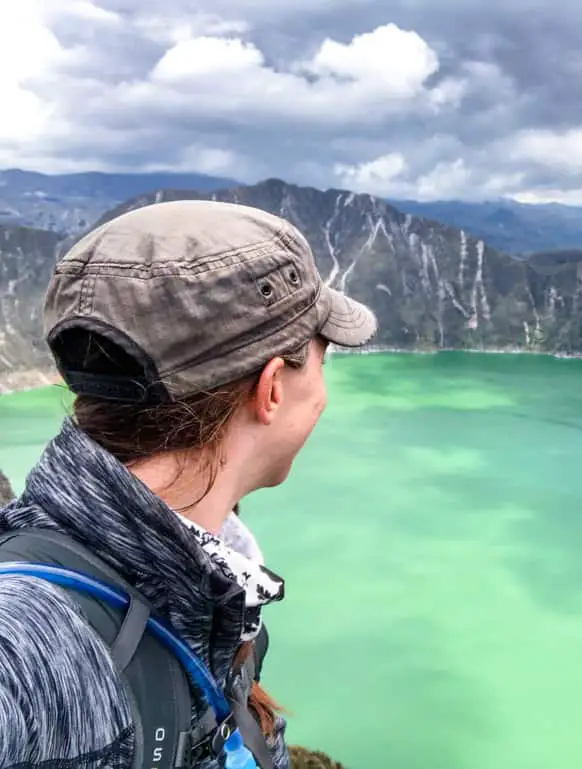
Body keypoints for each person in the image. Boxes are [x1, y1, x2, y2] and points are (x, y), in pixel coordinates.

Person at [0, 200, 377, 769]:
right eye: (322, 359)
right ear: (272, 388)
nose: (323, 391)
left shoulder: (204, 583)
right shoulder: (33, 645)